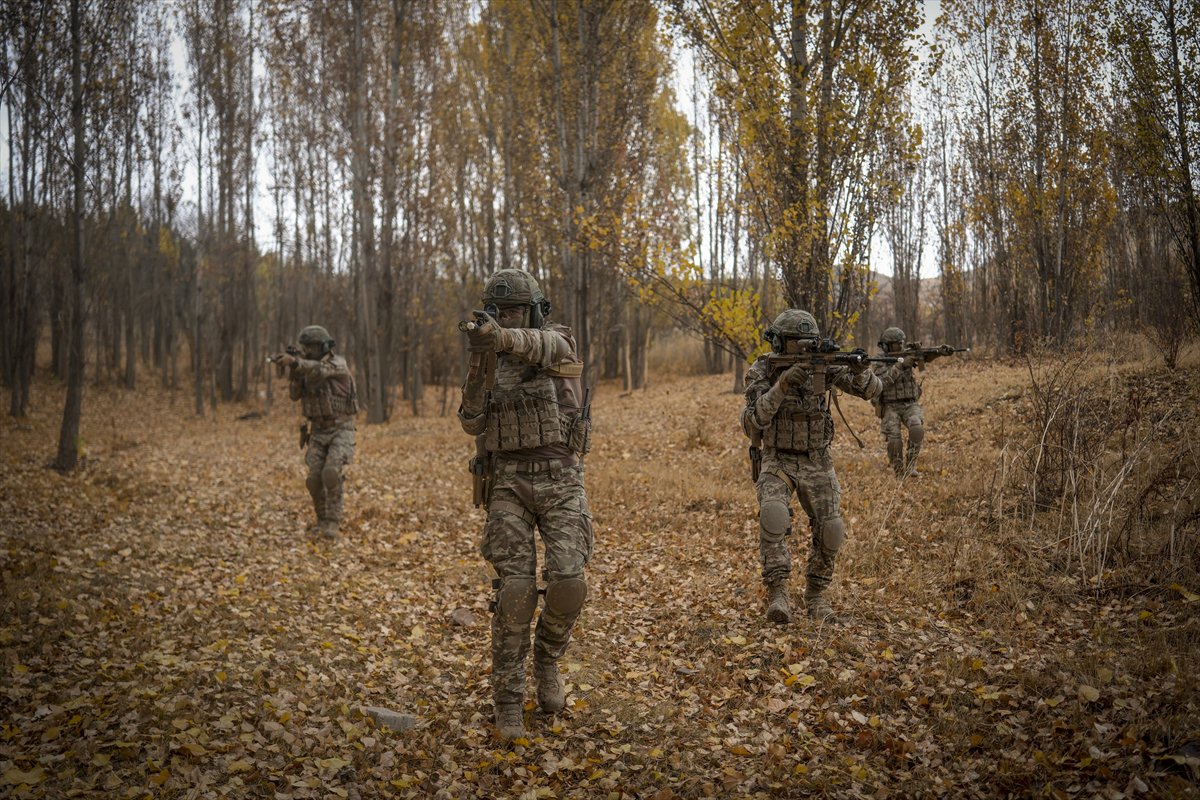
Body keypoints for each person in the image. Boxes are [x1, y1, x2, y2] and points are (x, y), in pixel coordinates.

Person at [458, 269, 593, 742]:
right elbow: (471, 423)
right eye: (501, 311)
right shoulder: (490, 356)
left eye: (516, 310)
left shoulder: (556, 339)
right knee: (514, 594)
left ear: (533, 311)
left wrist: (503, 337)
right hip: (509, 482)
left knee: (569, 582)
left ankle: (548, 661)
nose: (507, 318)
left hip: (560, 479)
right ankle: (509, 699)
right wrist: (479, 363)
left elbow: (546, 349)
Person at [741, 310, 883, 625]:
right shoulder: (763, 369)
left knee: (831, 528)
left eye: (810, 344)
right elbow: (751, 420)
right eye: (798, 344)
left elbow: (871, 391)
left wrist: (861, 370)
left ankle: (816, 595)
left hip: (817, 458)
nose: (806, 350)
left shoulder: (825, 366)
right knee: (774, 516)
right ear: (780, 343)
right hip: (778, 457)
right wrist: (781, 386)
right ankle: (779, 592)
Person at [270, 325, 359, 539]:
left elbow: (320, 370)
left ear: (323, 346)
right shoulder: (305, 369)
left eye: (311, 347)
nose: (308, 351)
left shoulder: (337, 364)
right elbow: (294, 395)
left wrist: (297, 363)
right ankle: (321, 519)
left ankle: (333, 522)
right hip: (317, 430)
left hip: (341, 428)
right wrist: (293, 372)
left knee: (331, 473)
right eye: (305, 348)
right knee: (313, 479)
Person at [871, 326, 954, 478]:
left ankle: (910, 466)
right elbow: (882, 382)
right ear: (887, 345)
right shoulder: (879, 360)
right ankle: (898, 471)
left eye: (902, 342)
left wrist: (940, 352)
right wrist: (901, 365)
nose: (901, 346)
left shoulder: (907, 354)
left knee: (916, 426)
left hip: (910, 404)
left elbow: (925, 356)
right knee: (894, 439)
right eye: (897, 343)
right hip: (890, 405)